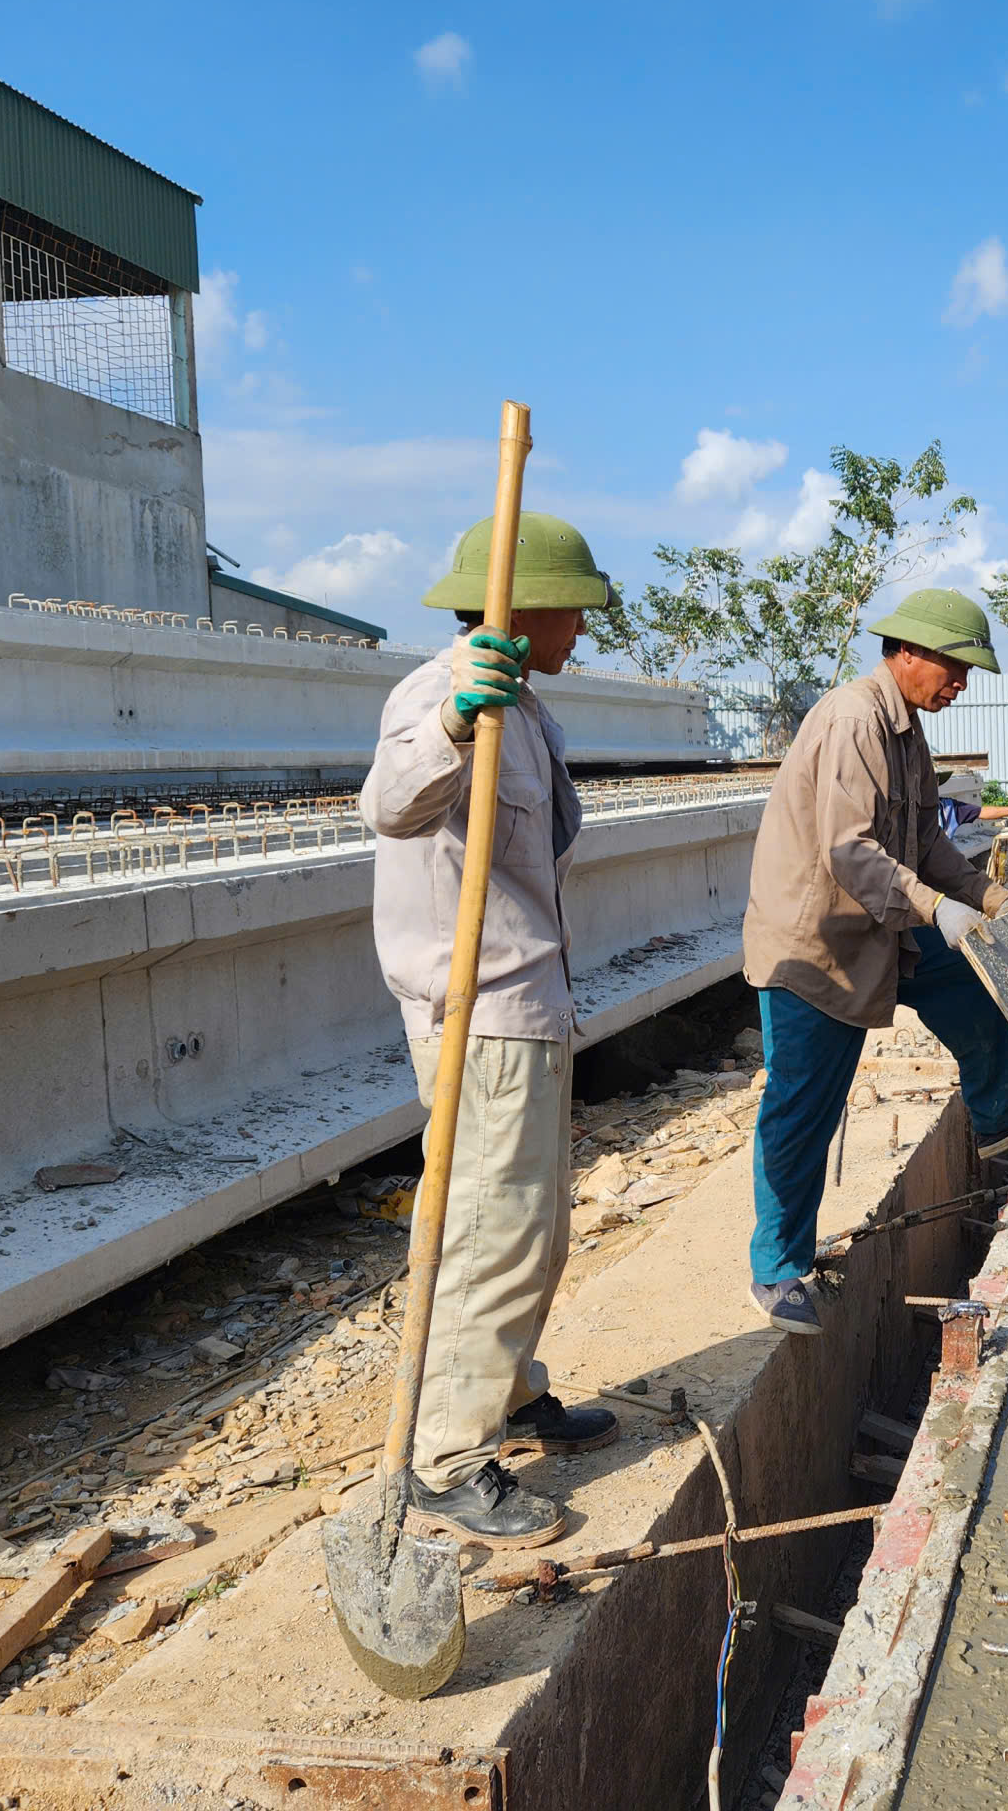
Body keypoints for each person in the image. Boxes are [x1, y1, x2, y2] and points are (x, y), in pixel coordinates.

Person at [358, 512, 622, 1548]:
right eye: (574, 616)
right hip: (481, 1011)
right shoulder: (441, 694)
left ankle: (509, 1395)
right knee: (489, 1228)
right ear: (531, 606)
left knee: (533, 1222)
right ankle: (446, 1457)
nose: (581, 636)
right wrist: (456, 729)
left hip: (528, 1001)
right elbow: (387, 802)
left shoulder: (531, 707)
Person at [741, 588, 1008, 1335]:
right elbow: (851, 850)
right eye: (954, 668)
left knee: (975, 979)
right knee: (800, 1108)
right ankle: (777, 1269)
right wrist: (935, 908)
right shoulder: (853, 720)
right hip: (816, 948)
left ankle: (998, 1114)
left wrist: (985, 897)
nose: (961, 685)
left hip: (882, 928)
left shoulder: (905, 730)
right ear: (908, 653)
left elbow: (925, 843)